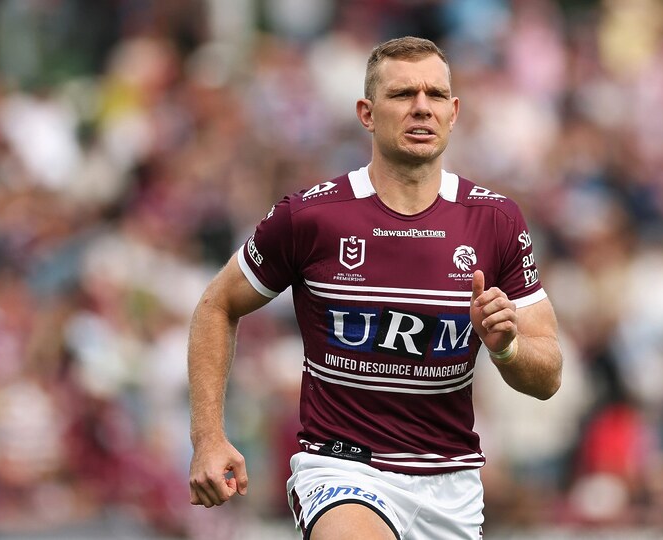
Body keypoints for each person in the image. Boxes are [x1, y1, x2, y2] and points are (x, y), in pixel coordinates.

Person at [187, 36, 563, 539]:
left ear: (454, 112)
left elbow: (548, 376)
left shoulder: (496, 221)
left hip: (450, 483)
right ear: (366, 113)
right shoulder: (311, 217)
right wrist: (208, 437)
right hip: (343, 468)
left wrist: (507, 347)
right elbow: (217, 303)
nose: (422, 108)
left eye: (435, 95)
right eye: (403, 94)